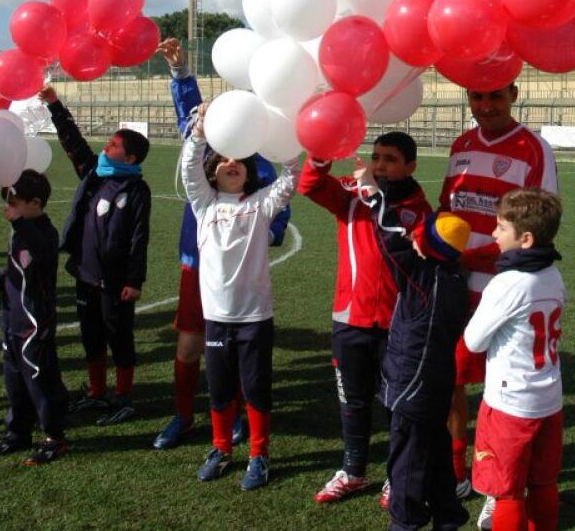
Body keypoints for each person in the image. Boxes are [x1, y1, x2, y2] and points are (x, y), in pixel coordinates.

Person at [152, 38, 290, 451]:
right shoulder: (209, 145)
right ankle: (183, 415)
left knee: (245, 354)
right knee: (192, 341)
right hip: (199, 262)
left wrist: (267, 234)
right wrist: (180, 74)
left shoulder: (262, 155)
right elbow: (190, 120)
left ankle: (240, 423)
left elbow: (280, 201)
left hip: (243, 270)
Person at [439, 82, 558, 525]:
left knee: (501, 390)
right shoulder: (461, 144)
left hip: (505, 288)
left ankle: (501, 486)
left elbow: (541, 226)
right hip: (454, 283)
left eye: (494, 96)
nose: (485, 106)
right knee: (452, 376)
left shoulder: (533, 148)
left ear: (514, 94)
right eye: (477, 97)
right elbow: (446, 208)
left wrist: (478, 255)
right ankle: (456, 472)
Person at [300, 131, 431, 505]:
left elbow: (406, 242)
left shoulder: (418, 208)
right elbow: (310, 185)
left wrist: (374, 194)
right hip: (350, 318)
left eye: (390, 158)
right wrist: (322, 151)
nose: (379, 164)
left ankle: (395, 474)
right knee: (353, 400)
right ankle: (354, 470)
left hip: (398, 325)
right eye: (376, 157)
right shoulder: (354, 194)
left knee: (395, 403)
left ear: (410, 166)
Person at [182, 102, 301, 491]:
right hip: (217, 317)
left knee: (256, 389)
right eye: (223, 159)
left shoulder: (260, 205)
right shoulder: (204, 205)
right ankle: (220, 449)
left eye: (239, 160)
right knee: (218, 390)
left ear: (249, 172)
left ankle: (258, 455)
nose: (231, 163)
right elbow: (188, 168)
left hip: (254, 318)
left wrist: (285, 139)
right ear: (212, 171)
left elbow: (292, 176)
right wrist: (199, 133)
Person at [38, 85, 151, 426]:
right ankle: (97, 392)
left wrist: (134, 280)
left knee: (119, 336)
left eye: (115, 145)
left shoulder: (136, 189)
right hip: (86, 273)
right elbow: (72, 141)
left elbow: (138, 236)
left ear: (129, 158)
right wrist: (56, 105)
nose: (106, 146)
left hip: (117, 281)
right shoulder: (94, 173)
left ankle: (124, 396)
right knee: (91, 336)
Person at [463, 189, 566, 531]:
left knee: (507, 492)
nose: (493, 234)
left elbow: (474, 341)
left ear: (525, 238)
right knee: (542, 482)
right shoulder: (554, 274)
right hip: (549, 398)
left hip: (511, 404)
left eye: (500, 227)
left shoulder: (507, 283)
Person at [376, 205, 472, 531]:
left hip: (411, 390)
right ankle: (447, 517)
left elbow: (390, 243)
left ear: (429, 247)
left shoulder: (423, 278)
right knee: (437, 459)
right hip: (434, 388)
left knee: (406, 466)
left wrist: (375, 196)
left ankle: (405, 522)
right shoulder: (456, 280)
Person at [0, 170, 70, 465]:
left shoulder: (44, 231)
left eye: (15, 202)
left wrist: (19, 222)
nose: (9, 208)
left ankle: (53, 437)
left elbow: (39, 254)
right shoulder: (20, 230)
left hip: (34, 321)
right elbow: (16, 264)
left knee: (40, 379)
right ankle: (17, 431)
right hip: (11, 317)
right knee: (14, 380)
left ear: (35, 203)